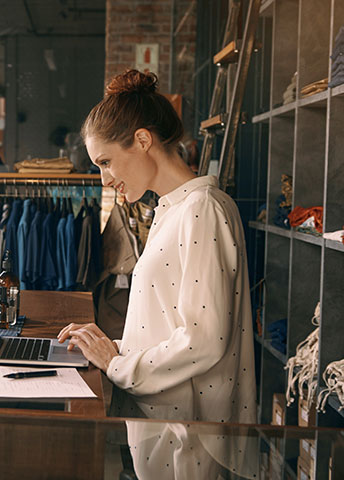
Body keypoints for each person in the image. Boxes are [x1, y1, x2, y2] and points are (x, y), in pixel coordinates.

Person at [57, 70, 256, 425]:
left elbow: (205, 340)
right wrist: (113, 346)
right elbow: (170, 323)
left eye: (106, 162)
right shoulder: (174, 208)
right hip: (168, 426)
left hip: (188, 438)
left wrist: (116, 364)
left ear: (143, 140)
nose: (104, 179)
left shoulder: (201, 209)